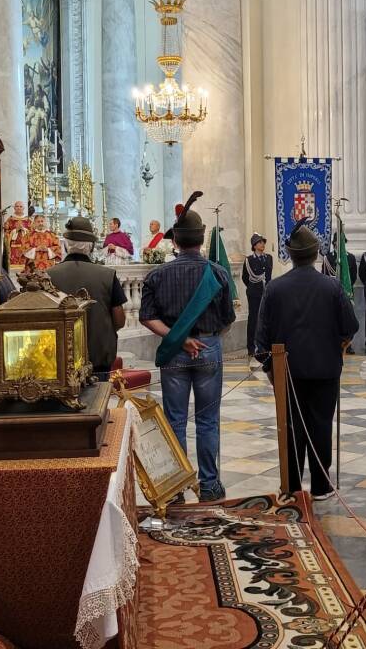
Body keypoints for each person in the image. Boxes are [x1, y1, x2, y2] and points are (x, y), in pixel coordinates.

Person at [140, 191, 236, 502]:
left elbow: (146, 317)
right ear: (202, 239)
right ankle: (209, 485)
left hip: (174, 351)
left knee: (175, 420)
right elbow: (227, 319)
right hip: (208, 348)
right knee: (208, 419)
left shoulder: (158, 274)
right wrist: (203, 340)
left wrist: (179, 338)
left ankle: (178, 487)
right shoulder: (218, 273)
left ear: (176, 242)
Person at [255, 220, 358, 500]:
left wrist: (269, 369)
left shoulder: (274, 289)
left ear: (290, 253)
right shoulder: (332, 287)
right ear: (315, 254)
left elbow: (260, 339)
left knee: (290, 427)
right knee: (321, 424)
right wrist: (337, 347)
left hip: (286, 370)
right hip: (324, 369)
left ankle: (290, 487)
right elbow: (350, 327)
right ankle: (322, 486)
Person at [48, 217, 128, 379]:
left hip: (59, 357)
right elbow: (119, 320)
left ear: (65, 244)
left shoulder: (48, 276)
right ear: (91, 247)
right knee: (99, 400)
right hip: (98, 356)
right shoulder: (107, 275)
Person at [242, 233, 273, 356]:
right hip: (254, 292)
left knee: (266, 318)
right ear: (254, 246)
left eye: (263, 242)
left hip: (266, 292)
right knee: (253, 319)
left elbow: (268, 276)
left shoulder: (269, 258)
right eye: (260, 242)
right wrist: (252, 287)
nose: (263, 244)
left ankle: (264, 345)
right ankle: (251, 347)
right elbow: (245, 277)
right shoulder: (249, 260)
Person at [3, 200, 31, 269]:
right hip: (13, 246)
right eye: (17, 206)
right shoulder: (10, 219)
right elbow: (6, 231)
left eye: (21, 206)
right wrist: (15, 230)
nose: (19, 208)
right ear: (14, 208)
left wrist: (24, 229)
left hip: (25, 246)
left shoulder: (28, 220)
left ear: (24, 208)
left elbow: (32, 233)